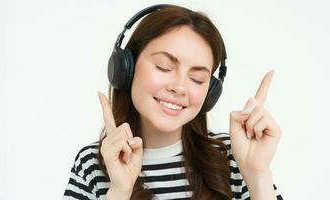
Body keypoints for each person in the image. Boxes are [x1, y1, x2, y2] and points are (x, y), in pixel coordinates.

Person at [64, 4, 283, 200]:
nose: (179, 87)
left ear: (210, 93)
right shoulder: (92, 164)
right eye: (163, 67)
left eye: (197, 79)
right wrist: (119, 192)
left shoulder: (234, 156)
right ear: (126, 68)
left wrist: (257, 175)